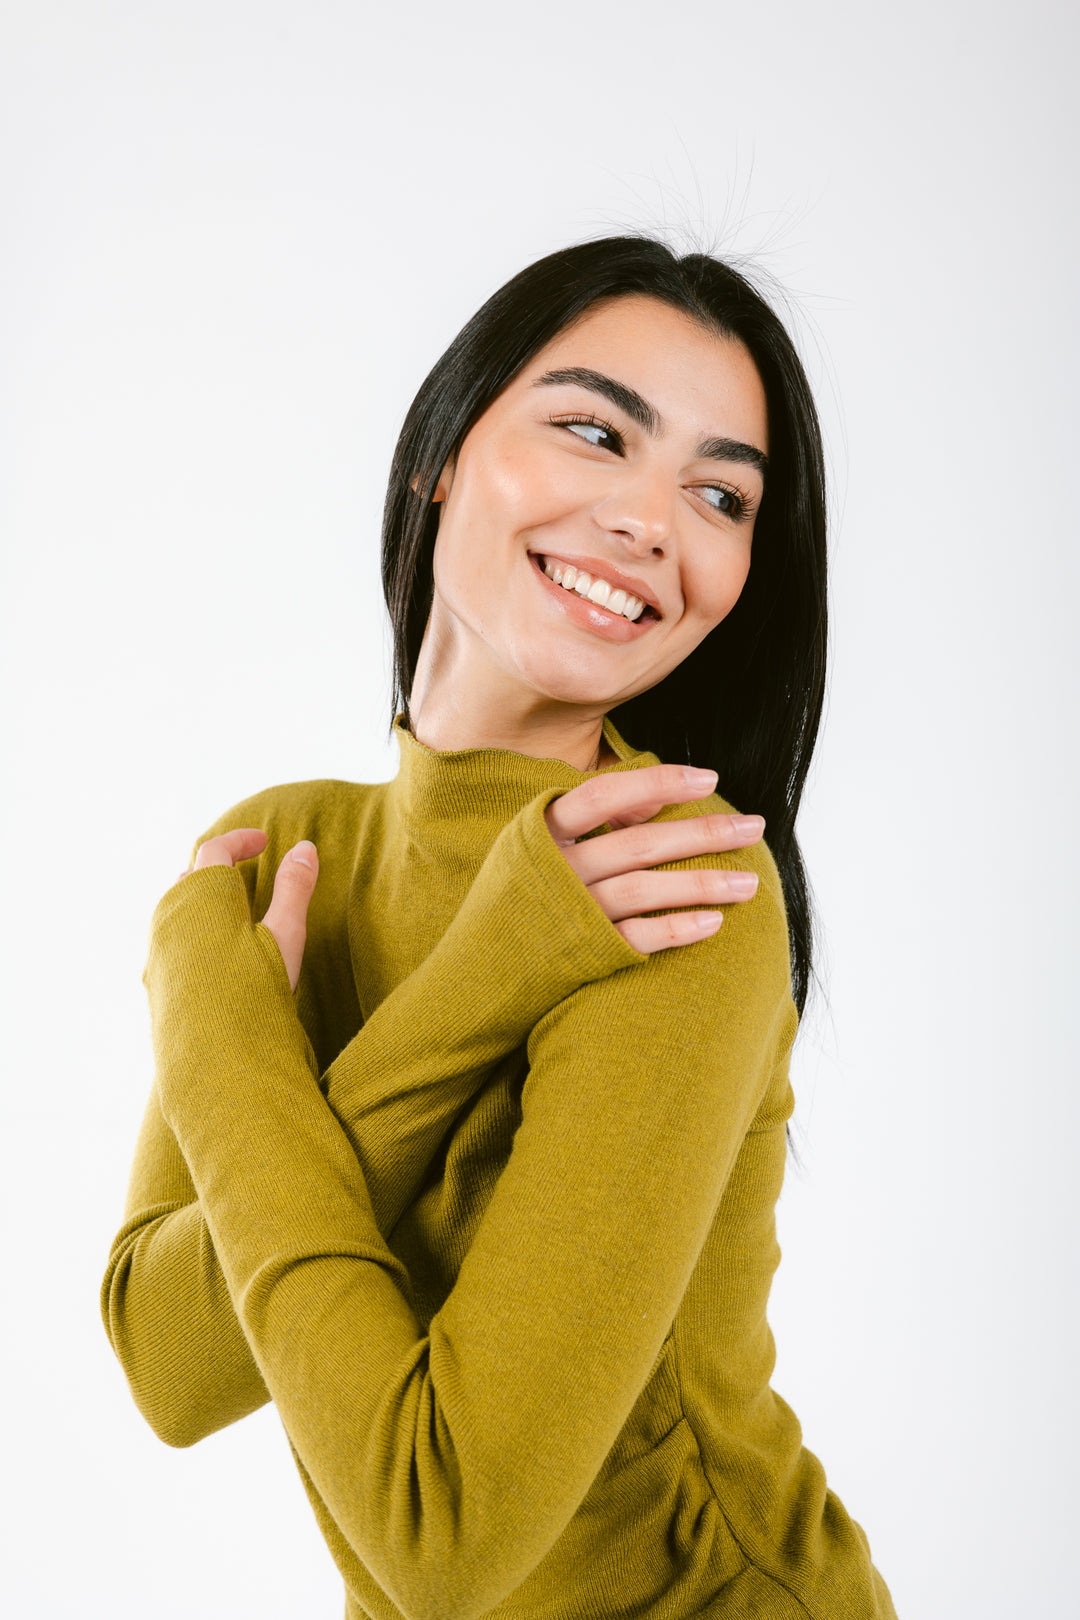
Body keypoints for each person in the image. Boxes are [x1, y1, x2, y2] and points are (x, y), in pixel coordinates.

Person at [101, 234, 898, 1619]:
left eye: (719, 494)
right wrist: (474, 985)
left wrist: (212, 1010)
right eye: (595, 431)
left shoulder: (674, 883)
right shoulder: (289, 849)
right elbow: (174, 1367)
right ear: (441, 454)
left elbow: (447, 1534)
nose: (652, 520)